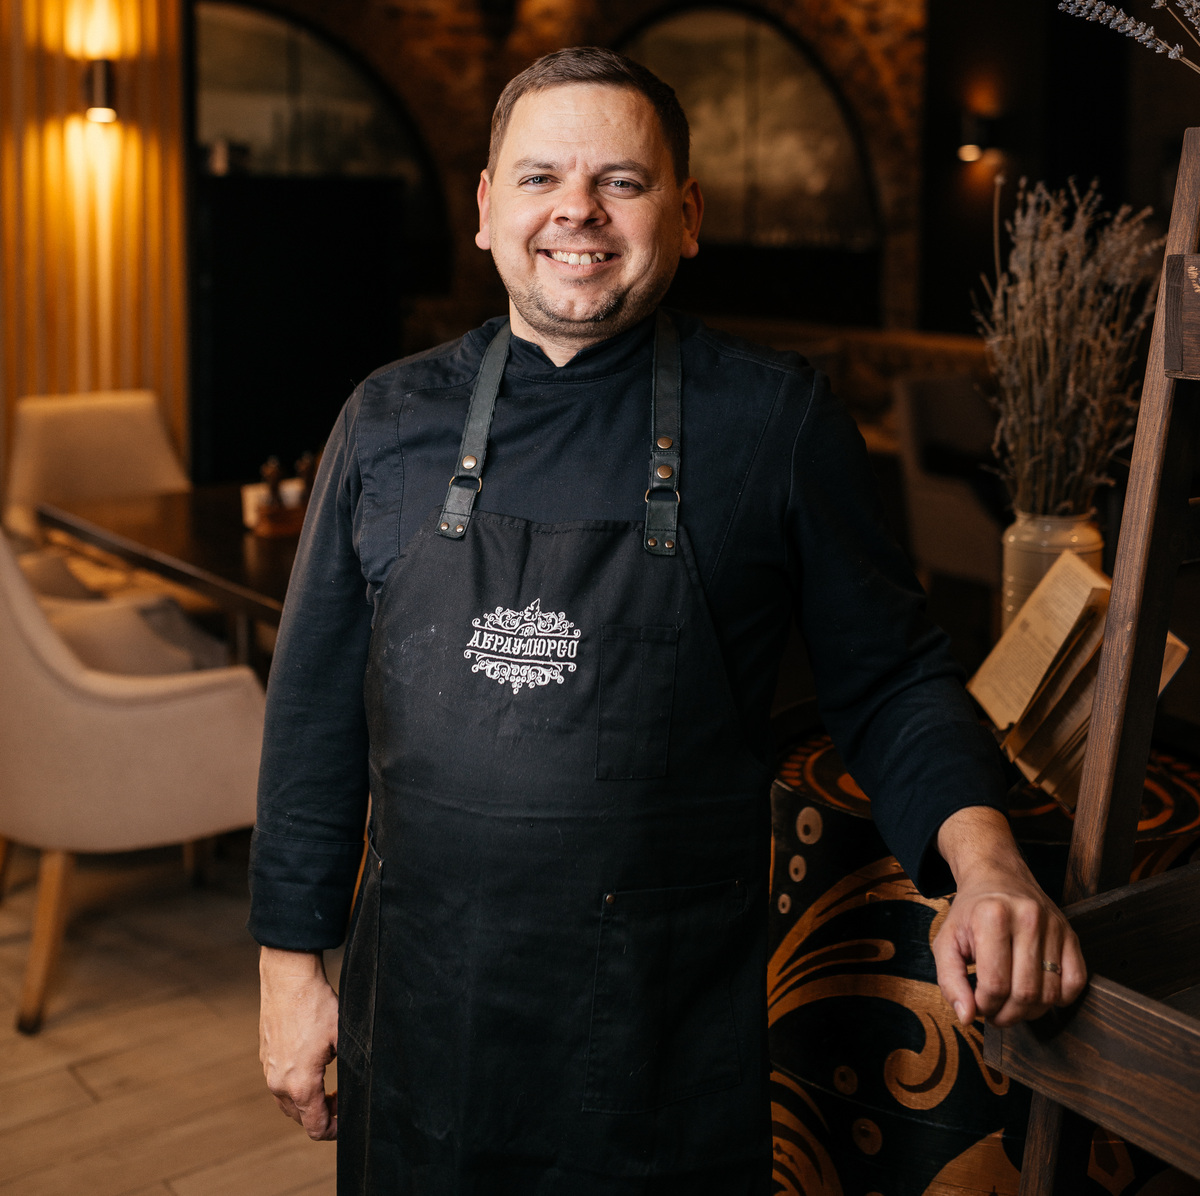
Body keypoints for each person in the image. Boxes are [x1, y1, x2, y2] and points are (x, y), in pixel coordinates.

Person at [251, 46, 1086, 1194]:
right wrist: (288, 967)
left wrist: (987, 866)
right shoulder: (385, 420)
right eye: (540, 177)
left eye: (622, 181)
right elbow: (310, 720)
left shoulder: (776, 422)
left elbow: (892, 679)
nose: (577, 210)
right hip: (423, 1016)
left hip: (661, 1038)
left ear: (686, 216)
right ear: (488, 210)